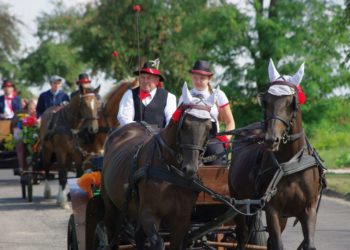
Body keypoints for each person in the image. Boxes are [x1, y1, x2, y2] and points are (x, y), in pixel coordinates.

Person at [185, 60, 235, 165]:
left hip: (212, 139)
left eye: (202, 78)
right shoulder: (186, 95)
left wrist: (225, 140)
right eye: (195, 78)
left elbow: (230, 122)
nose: (198, 81)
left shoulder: (219, 94)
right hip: (190, 140)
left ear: (209, 78)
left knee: (215, 150)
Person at [117, 58, 177, 128]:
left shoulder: (169, 97)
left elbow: (171, 121)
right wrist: (140, 129)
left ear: (157, 81)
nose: (145, 81)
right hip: (134, 136)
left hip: (159, 137)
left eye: (149, 78)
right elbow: (124, 118)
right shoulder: (129, 94)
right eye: (142, 77)